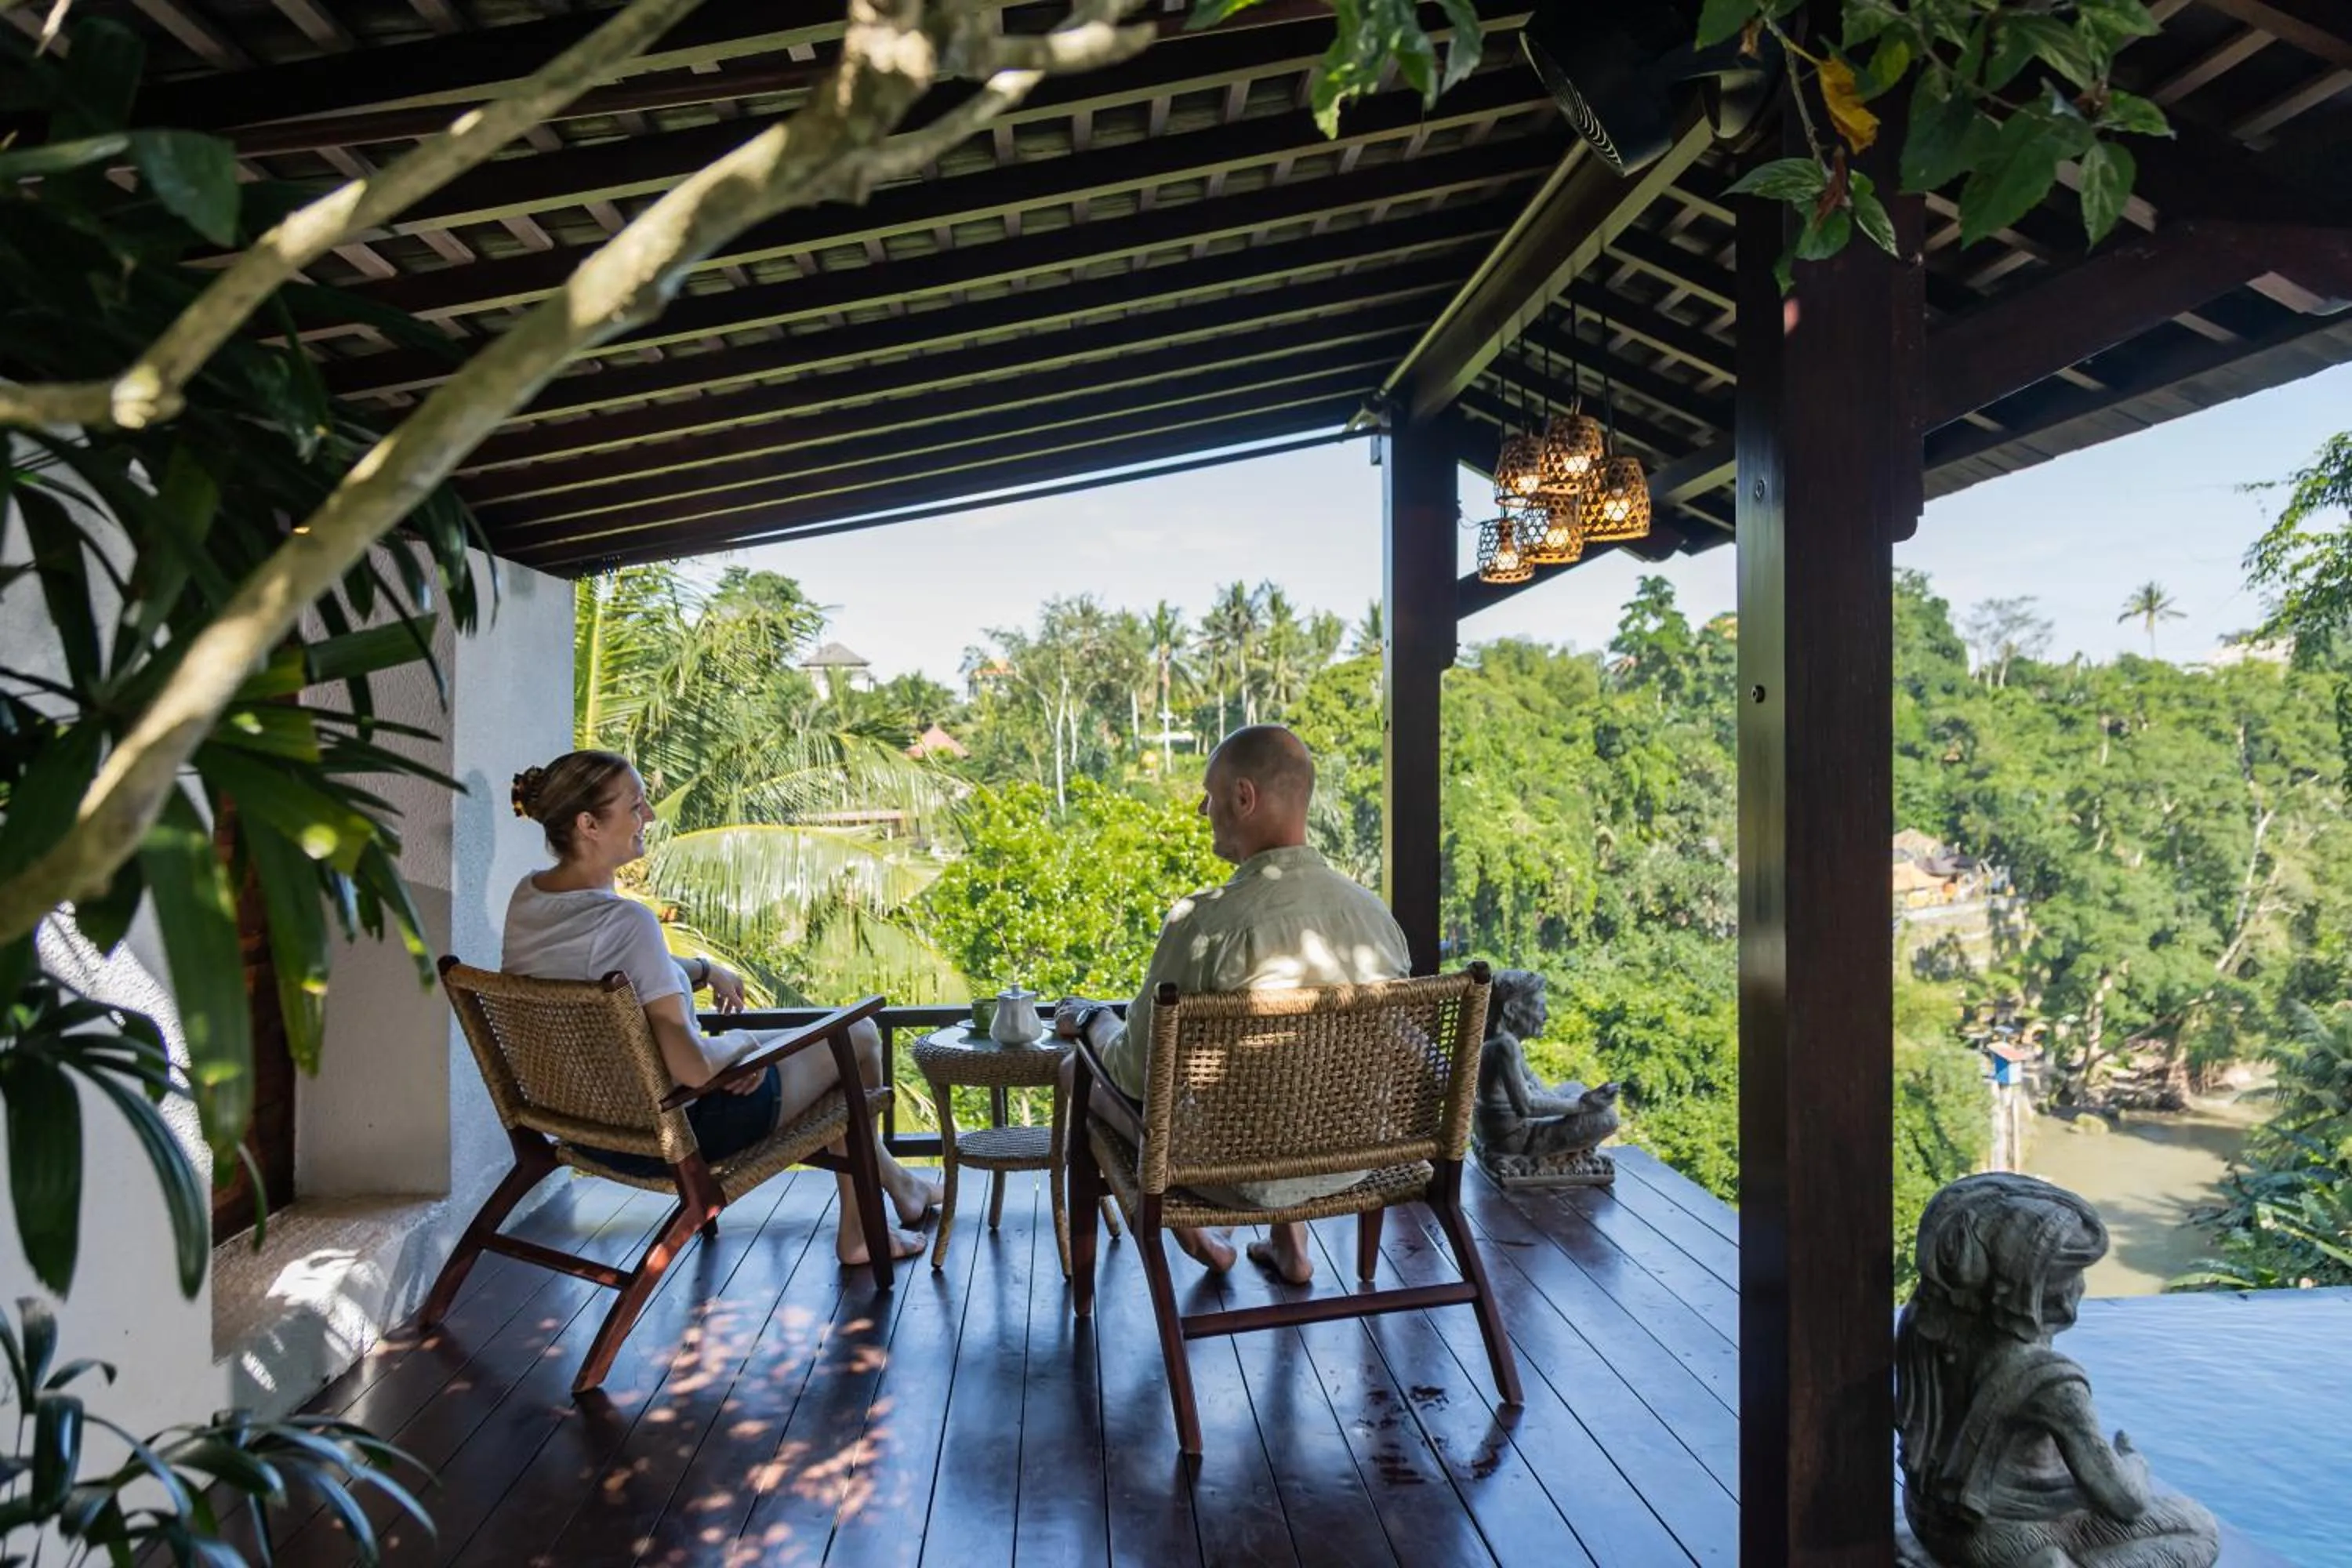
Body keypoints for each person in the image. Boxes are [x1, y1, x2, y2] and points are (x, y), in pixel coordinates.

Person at [503, 750, 938, 1268]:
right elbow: (691, 1066)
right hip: (681, 1133)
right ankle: (863, 1228)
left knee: (833, 1064)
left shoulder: (529, 899)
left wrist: (707, 970)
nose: (651, 818)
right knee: (857, 1039)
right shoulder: (628, 923)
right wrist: (741, 1046)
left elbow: (611, 970)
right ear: (589, 824)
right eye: (636, 806)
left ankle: (900, 1187)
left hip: (586, 1132)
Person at [1054, 725, 1410, 1285]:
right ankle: (1290, 1252)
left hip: (1236, 1174)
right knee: (1290, 1078)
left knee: (1078, 1068)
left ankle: (1204, 1246)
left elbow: (1134, 1073)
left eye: (1209, 794)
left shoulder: (1203, 923)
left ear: (1244, 798)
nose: (1202, 809)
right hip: (1356, 1161)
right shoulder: (1373, 917)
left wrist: (1095, 1019)